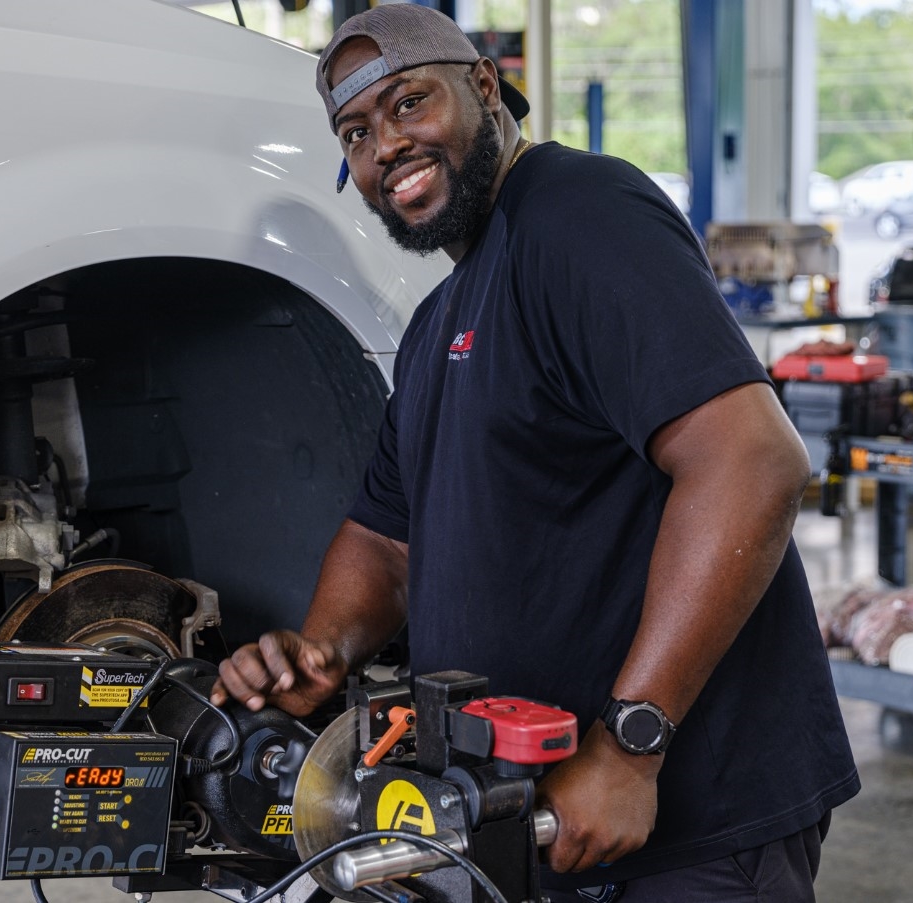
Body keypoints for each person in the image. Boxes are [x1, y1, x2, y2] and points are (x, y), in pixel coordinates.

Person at [210, 4, 860, 900]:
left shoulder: (579, 214)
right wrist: (319, 651)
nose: (384, 146)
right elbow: (388, 538)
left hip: (686, 825)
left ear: (484, 86)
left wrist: (631, 744)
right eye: (355, 134)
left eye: (407, 104)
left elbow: (750, 462)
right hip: (531, 824)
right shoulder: (444, 317)